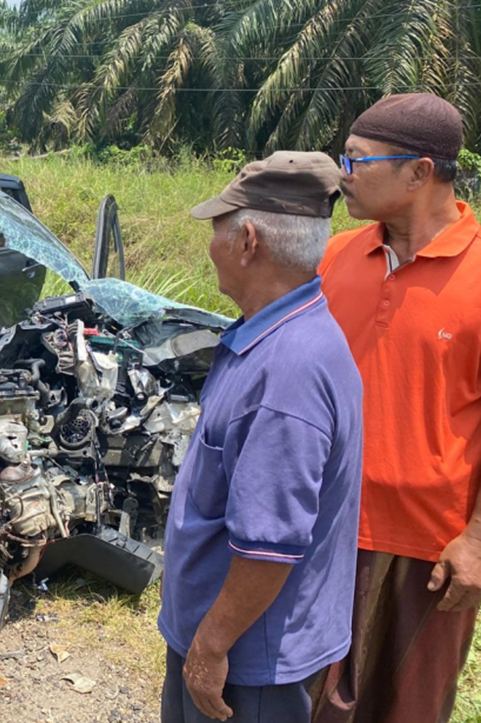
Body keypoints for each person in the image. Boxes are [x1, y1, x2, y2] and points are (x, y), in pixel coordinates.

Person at [159, 151, 363, 723]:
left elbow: (268, 546)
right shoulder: (275, 336)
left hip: (247, 663)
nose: (210, 247)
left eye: (218, 231)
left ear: (249, 241)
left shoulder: (288, 374)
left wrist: (211, 646)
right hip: (231, 641)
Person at [312, 94, 481, 723]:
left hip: (425, 550)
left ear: (420, 172)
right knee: (311, 702)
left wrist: (478, 541)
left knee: (405, 706)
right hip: (323, 528)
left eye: (356, 160)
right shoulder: (336, 261)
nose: (342, 175)